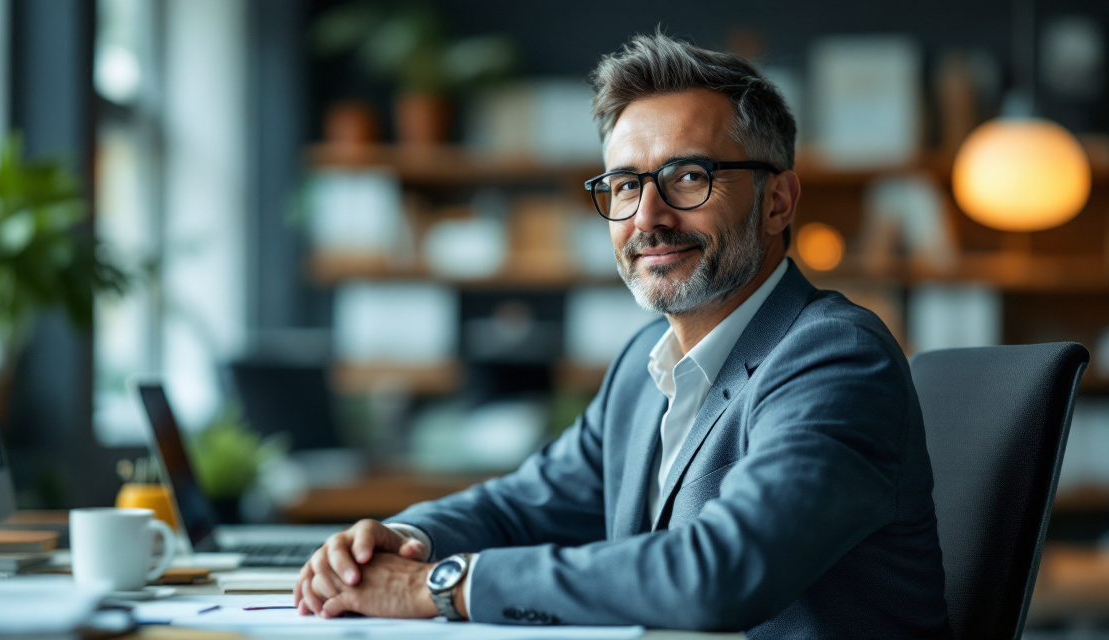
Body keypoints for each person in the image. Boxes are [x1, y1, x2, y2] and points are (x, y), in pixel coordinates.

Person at [294, 32, 951, 637]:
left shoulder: (834, 357)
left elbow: (719, 573)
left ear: (778, 200)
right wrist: (399, 542)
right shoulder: (646, 363)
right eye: (625, 184)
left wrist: (443, 586)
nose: (649, 217)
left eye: (688, 177)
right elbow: (521, 508)